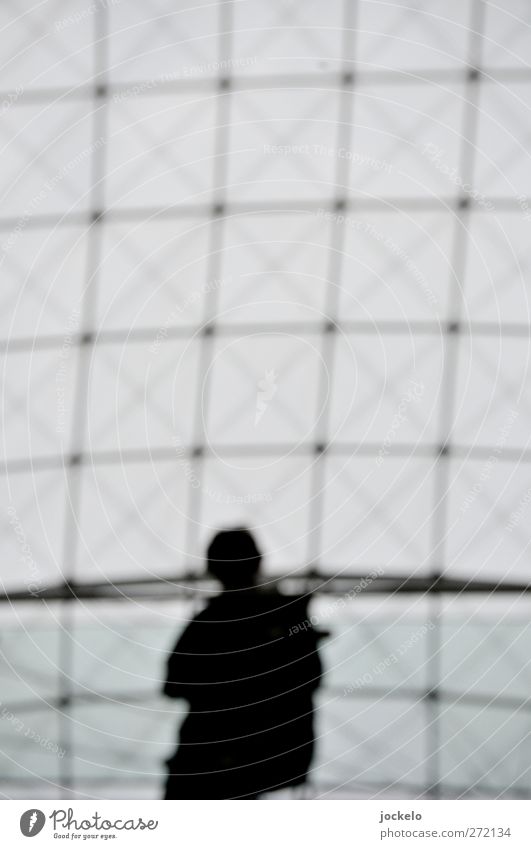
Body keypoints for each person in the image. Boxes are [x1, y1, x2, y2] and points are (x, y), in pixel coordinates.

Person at [163, 527, 322, 799]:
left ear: (212, 568)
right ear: (258, 561)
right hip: (257, 759)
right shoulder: (286, 618)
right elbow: (312, 677)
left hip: (207, 758)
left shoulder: (207, 625)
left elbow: (173, 685)